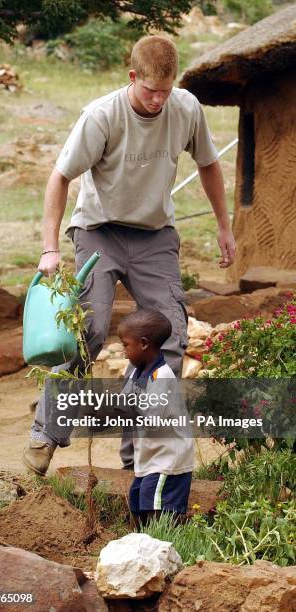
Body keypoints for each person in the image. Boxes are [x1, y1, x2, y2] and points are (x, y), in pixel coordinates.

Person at [23, 34, 236, 476]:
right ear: (132, 76)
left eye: (166, 90)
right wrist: (49, 249)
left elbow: (209, 164)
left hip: (155, 236)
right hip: (99, 231)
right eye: (149, 90)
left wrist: (224, 225)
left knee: (169, 339)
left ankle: (139, 457)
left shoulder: (186, 107)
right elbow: (59, 178)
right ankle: (46, 432)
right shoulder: (101, 115)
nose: (158, 100)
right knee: (89, 331)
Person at [117, 308, 194, 527]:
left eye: (125, 344)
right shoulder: (136, 372)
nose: (123, 351)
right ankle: (141, 542)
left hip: (168, 460)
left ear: (143, 344)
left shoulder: (162, 377)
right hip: (150, 458)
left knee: (157, 508)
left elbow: (151, 419)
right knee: (138, 502)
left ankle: (164, 543)